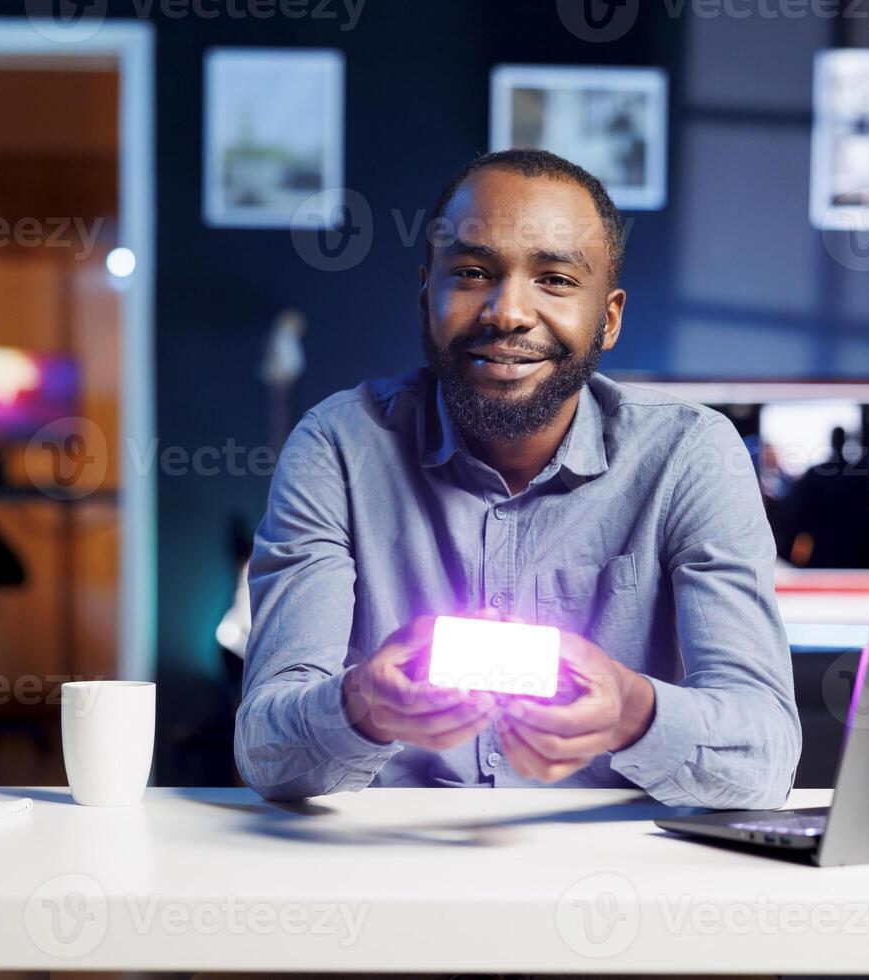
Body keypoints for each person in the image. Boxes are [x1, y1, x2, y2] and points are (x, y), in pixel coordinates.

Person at [234, 149, 800, 803]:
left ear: (608, 318)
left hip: (622, 884)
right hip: (386, 877)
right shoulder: (335, 447)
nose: (507, 312)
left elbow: (765, 759)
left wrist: (633, 712)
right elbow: (265, 753)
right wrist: (360, 704)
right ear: (427, 296)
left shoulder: (692, 456)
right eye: (473, 272)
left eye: (555, 280)